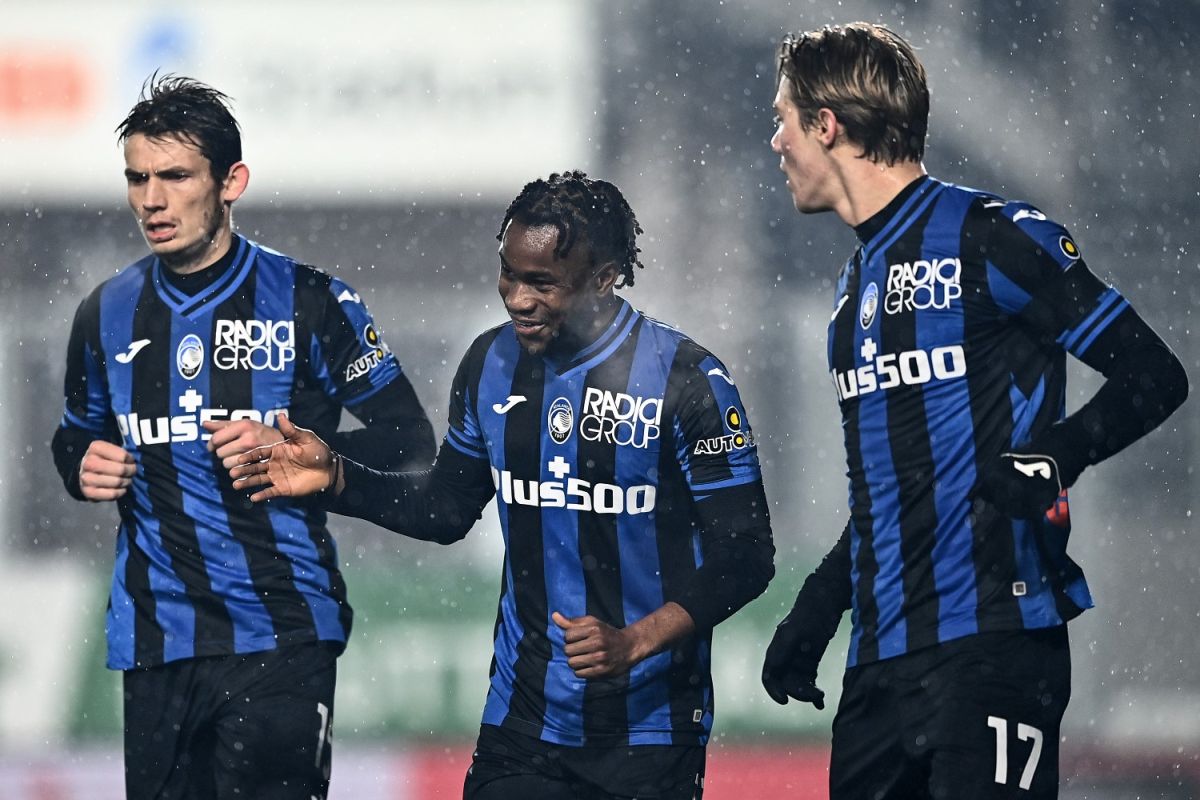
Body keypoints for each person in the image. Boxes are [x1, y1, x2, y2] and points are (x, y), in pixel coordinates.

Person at [228, 170, 776, 800]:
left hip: (649, 732)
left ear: (603, 279)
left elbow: (746, 554)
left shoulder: (687, 381)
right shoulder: (490, 363)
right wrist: (339, 479)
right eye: (508, 274)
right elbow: (446, 509)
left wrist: (634, 642)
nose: (517, 298)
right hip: (520, 723)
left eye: (542, 282)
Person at [759, 22, 1189, 800]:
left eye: (783, 119)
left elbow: (1154, 375)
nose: (775, 141)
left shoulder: (994, 239)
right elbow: (897, 485)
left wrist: (1057, 455)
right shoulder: (852, 291)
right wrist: (820, 605)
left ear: (826, 125)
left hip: (995, 644)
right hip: (878, 671)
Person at [51, 74, 436, 799]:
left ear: (231, 182)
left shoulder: (310, 300)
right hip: (157, 643)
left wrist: (315, 456)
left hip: (281, 634)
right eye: (137, 178)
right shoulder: (105, 312)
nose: (151, 200)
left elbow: (410, 441)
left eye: (175, 177)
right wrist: (80, 465)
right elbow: (75, 437)